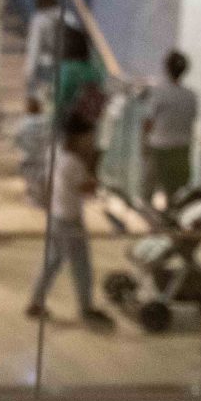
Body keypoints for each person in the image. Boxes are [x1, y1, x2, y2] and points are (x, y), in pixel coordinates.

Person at [26, 116, 116, 330]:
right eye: (88, 137)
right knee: (81, 266)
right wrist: (94, 166)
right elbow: (88, 189)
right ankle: (86, 309)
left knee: (53, 260)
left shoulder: (56, 153)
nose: (89, 142)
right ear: (77, 137)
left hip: (56, 215)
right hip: (70, 220)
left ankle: (36, 302)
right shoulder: (74, 162)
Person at [141, 51, 200, 208]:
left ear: (166, 68)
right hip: (181, 148)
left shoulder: (159, 93)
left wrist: (143, 145)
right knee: (174, 196)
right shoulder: (191, 96)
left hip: (159, 147)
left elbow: (148, 122)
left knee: (148, 193)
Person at [22, 0, 64, 103]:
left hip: (45, 65)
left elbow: (34, 48)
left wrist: (29, 71)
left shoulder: (39, 19)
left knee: (40, 98)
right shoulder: (66, 16)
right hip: (64, 63)